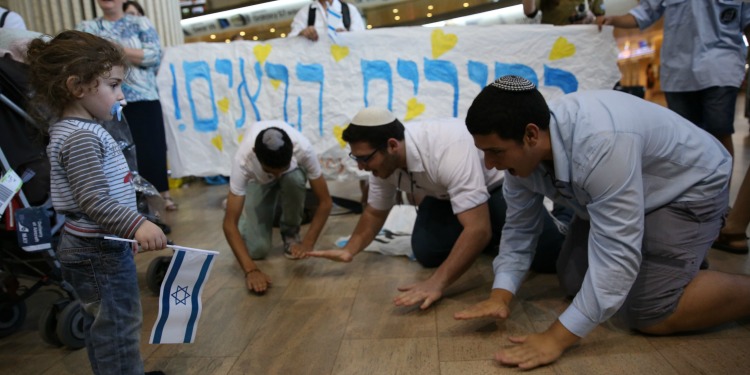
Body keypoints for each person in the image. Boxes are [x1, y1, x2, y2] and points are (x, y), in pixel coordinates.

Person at [454, 76, 750, 370]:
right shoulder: (524, 155)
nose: (489, 164)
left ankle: (693, 273)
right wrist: (500, 295)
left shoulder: (599, 144)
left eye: (495, 151)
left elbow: (617, 257)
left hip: (690, 186)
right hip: (638, 192)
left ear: (531, 135)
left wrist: (556, 338)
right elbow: (518, 231)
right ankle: (677, 264)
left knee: (649, 310)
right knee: (572, 279)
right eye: (484, 152)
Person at [307, 108, 565, 309]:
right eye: (356, 158)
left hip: (495, 188)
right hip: (443, 195)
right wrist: (350, 251)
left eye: (365, 158)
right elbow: (375, 212)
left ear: (392, 145)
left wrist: (436, 284)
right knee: (427, 252)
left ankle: (566, 212)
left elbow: (478, 229)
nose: (361, 167)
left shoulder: (445, 148)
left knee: (548, 258)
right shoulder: (381, 162)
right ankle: (494, 235)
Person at [27, 30, 167, 375]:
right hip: (97, 251)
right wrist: (137, 224)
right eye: (113, 85)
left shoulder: (74, 129)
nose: (122, 96)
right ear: (77, 87)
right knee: (118, 326)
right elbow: (93, 200)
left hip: (96, 244)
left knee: (103, 324)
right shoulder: (81, 137)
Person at [598, 1, 750, 163]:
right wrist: (611, 19)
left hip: (720, 68)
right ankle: (693, 185)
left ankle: (722, 187)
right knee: (686, 138)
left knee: (719, 132)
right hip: (678, 71)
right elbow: (644, 13)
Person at [78, 0, 178, 211]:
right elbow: (84, 60)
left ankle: (154, 210)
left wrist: (116, 50)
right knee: (116, 156)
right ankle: (129, 210)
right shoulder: (88, 27)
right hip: (104, 101)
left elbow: (154, 56)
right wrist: (132, 54)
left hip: (144, 99)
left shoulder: (141, 22)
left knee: (151, 154)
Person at [223, 121, 333, 294]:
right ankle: (238, 204)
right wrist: (251, 270)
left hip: (292, 177)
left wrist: (308, 243)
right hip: (257, 181)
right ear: (255, 155)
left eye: (282, 169)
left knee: (292, 178)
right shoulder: (243, 160)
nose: (277, 175)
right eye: (271, 171)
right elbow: (229, 224)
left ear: (292, 153)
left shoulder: (303, 148)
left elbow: (325, 202)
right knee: (257, 250)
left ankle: (290, 233)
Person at [289, 0, 365, 42]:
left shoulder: (349, 10)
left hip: (345, 64)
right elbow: (290, 42)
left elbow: (362, 39)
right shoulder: (305, 12)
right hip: (317, 65)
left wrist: (347, 36)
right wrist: (302, 33)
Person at [523, 0, 604, 25]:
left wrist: (592, 18)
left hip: (582, 39)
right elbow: (530, 12)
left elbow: (600, 18)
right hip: (553, 40)